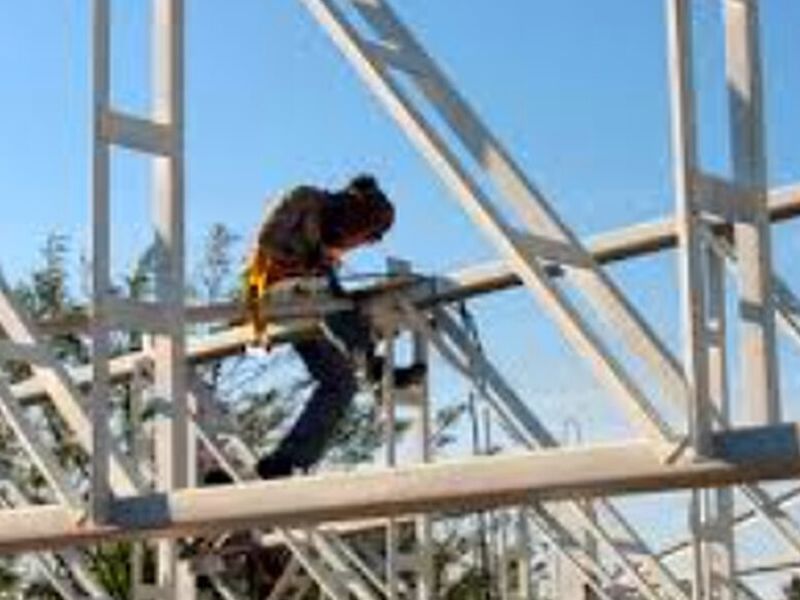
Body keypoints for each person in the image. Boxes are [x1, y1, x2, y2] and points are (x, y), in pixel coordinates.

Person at [205, 174, 424, 484]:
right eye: (360, 237)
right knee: (335, 302)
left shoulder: (333, 237)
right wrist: (314, 258)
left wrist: (325, 265)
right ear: (354, 215)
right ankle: (374, 367)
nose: (353, 245)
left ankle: (286, 461)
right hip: (274, 290)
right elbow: (268, 239)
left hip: (307, 304)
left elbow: (330, 285)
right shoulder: (304, 199)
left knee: (341, 383)